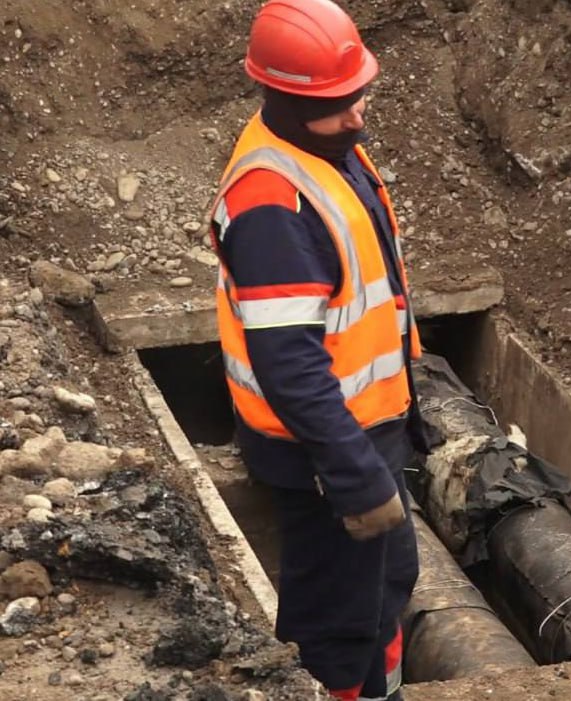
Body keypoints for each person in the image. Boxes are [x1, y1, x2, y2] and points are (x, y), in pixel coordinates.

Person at [208, 1, 426, 698]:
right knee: (335, 629)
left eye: (357, 93)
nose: (357, 114)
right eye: (336, 104)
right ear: (284, 97)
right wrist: (354, 472)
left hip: (365, 434)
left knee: (387, 589)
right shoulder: (273, 204)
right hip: (327, 454)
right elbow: (290, 364)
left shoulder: (323, 146)